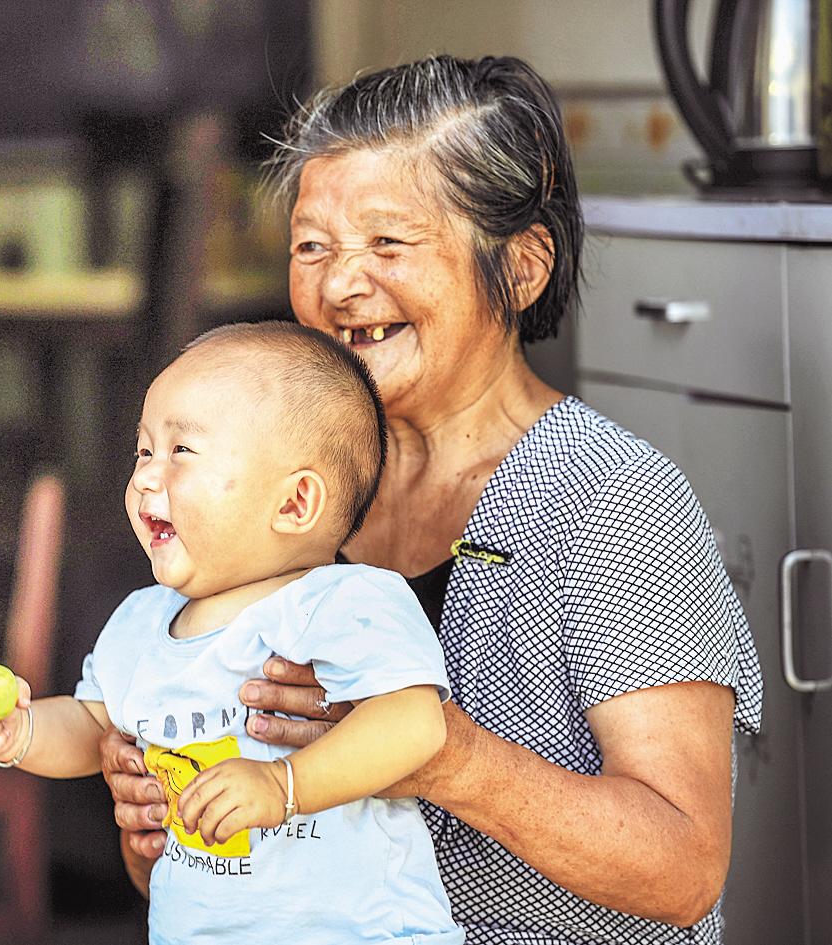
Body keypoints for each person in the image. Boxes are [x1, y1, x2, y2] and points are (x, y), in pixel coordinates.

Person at [100, 55, 763, 944]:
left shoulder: (607, 498)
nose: (339, 284)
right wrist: (159, 820)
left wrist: (447, 757)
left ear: (521, 267)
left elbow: (683, 866)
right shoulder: (272, 503)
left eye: (387, 242)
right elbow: (210, 867)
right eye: (312, 246)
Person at [0, 322, 465, 944]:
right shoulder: (140, 620)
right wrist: (18, 732)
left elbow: (414, 723)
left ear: (295, 504)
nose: (144, 477)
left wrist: (285, 784)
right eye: (143, 451)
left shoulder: (344, 602)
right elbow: (91, 728)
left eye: (181, 453)